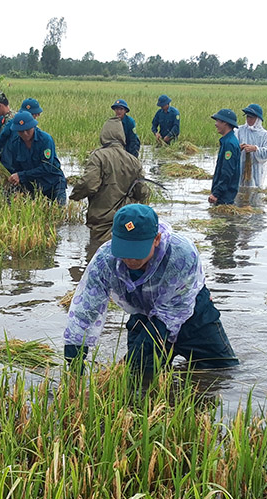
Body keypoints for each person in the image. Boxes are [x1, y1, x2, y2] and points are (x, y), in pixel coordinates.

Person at [64, 204, 238, 382]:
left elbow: (170, 315)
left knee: (221, 373)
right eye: (124, 251)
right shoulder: (105, 259)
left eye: (137, 253)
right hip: (144, 314)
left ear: (156, 239)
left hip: (192, 314)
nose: (130, 259)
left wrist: (131, 357)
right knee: (141, 380)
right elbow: (85, 308)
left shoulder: (182, 253)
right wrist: (74, 361)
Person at [70, 118, 152, 242]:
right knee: (125, 254)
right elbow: (142, 193)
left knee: (98, 253)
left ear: (104, 135)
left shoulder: (98, 157)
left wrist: (75, 195)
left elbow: (89, 184)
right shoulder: (133, 161)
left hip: (102, 221)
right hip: (126, 220)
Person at [1, 111, 67, 204]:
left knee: (59, 213)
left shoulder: (45, 140)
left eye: (28, 130)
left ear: (33, 126)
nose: (25, 134)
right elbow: (16, 168)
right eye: (21, 131)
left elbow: (47, 167)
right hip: (33, 186)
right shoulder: (15, 144)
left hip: (54, 184)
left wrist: (21, 176)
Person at [236, 104, 267, 192]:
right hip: (240, 166)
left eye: (251, 117)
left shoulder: (265, 135)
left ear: (257, 119)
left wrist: (256, 149)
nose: (249, 119)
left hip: (256, 168)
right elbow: (232, 146)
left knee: (254, 190)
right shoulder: (239, 130)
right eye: (247, 117)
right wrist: (239, 148)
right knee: (240, 189)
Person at [0, 98, 41, 163]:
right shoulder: (11, 124)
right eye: (34, 114)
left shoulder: (36, 131)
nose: (36, 116)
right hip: (8, 164)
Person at [209, 109, 240, 205]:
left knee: (223, 219)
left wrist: (216, 194)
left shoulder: (229, 144)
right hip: (224, 194)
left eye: (218, 121)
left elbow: (227, 172)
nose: (216, 124)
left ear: (225, 123)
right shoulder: (227, 141)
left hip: (225, 196)